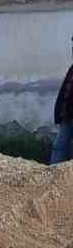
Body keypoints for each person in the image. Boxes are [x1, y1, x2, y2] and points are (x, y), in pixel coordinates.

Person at [52, 36, 73, 164]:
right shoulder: (72, 69)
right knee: (59, 147)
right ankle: (53, 176)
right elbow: (64, 93)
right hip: (67, 116)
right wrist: (59, 113)